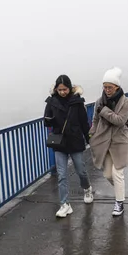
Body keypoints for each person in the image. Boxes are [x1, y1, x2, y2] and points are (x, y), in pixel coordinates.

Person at [44, 75, 94, 218]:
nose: (62, 92)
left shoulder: (77, 102)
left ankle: (87, 188)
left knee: (81, 171)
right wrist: (48, 119)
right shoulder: (51, 102)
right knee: (62, 175)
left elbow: (84, 122)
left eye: (65, 89)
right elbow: (47, 121)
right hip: (60, 142)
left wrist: (88, 138)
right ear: (56, 89)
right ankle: (65, 204)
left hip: (75, 140)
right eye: (59, 90)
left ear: (70, 88)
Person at [89, 67, 128, 216]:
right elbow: (95, 120)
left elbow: (120, 121)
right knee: (108, 174)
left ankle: (119, 203)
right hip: (104, 141)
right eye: (105, 87)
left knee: (117, 172)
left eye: (110, 87)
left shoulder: (125, 101)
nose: (107, 90)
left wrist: (104, 111)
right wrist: (92, 134)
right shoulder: (99, 101)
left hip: (120, 141)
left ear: (117, 87)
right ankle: (120, 190)